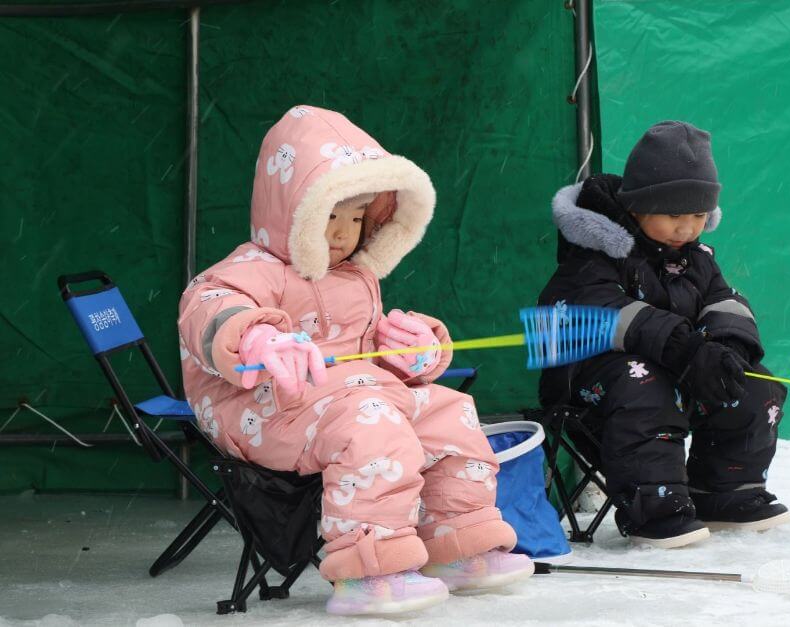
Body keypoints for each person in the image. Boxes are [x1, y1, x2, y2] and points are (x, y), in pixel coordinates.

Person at [178, 106, 532, 615]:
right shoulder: (253, 268)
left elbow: (369, 354)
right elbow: (207, 306)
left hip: (351, 396)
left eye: (356, 216)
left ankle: (458, 542)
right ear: (292, 212)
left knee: (449, 411)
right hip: (263, 405)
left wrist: (413, 352)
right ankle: (370, 568)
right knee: (371, 424)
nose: (344, 233)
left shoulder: (355, 276)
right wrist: (254, 337)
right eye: (330, 215)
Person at [538, 121, 790, 549]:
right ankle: (654, 507)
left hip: (675, 371)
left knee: (752, 383)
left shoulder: (698, 259)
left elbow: (726, 302)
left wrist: (724, 348)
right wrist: (684, 347)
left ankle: (725, 492)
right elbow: (594, 309)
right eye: (673, 214)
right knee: (646, 387)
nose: (686, 228)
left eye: (697, 215)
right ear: (638, 206)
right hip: (589, 379)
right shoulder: (596, 256)